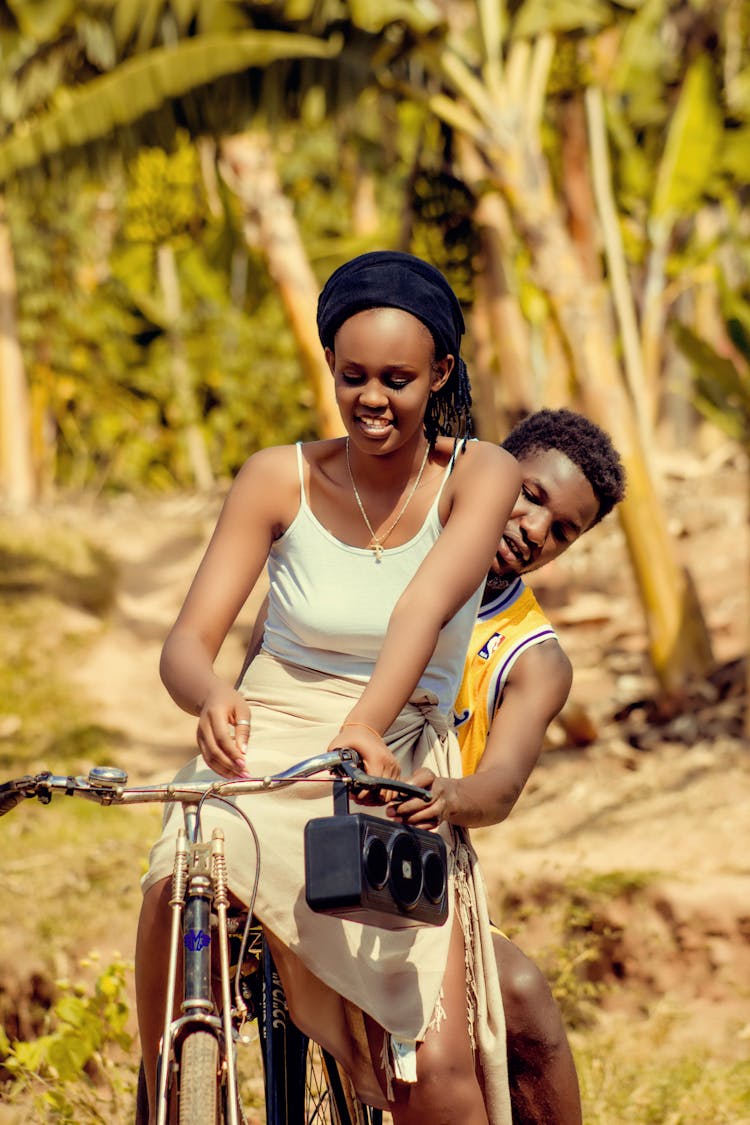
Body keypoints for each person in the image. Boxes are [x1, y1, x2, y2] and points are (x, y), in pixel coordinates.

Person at [134, 250, 523, 1125]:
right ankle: (167, 1085)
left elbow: (423, 606)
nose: (372, 398)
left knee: (442, 1077)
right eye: (353, 377)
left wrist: (366, 724)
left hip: (385, 743)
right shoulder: (278, 475)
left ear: (442, 374)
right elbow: (188, 643)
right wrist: (210, 696)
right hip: (263, 735)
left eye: (398, 378)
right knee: (175, 883)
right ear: (331, 370)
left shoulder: (481, 472)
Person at [392, 407, 626, 1124]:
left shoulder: (536, 656)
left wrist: (451, 794)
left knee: (520, 993)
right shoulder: (380, 548)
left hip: (409, 843)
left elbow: (502, 784)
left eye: (563, 530)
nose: (534, 530)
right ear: (491, 469)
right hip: (294, 791)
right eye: (530, 494)